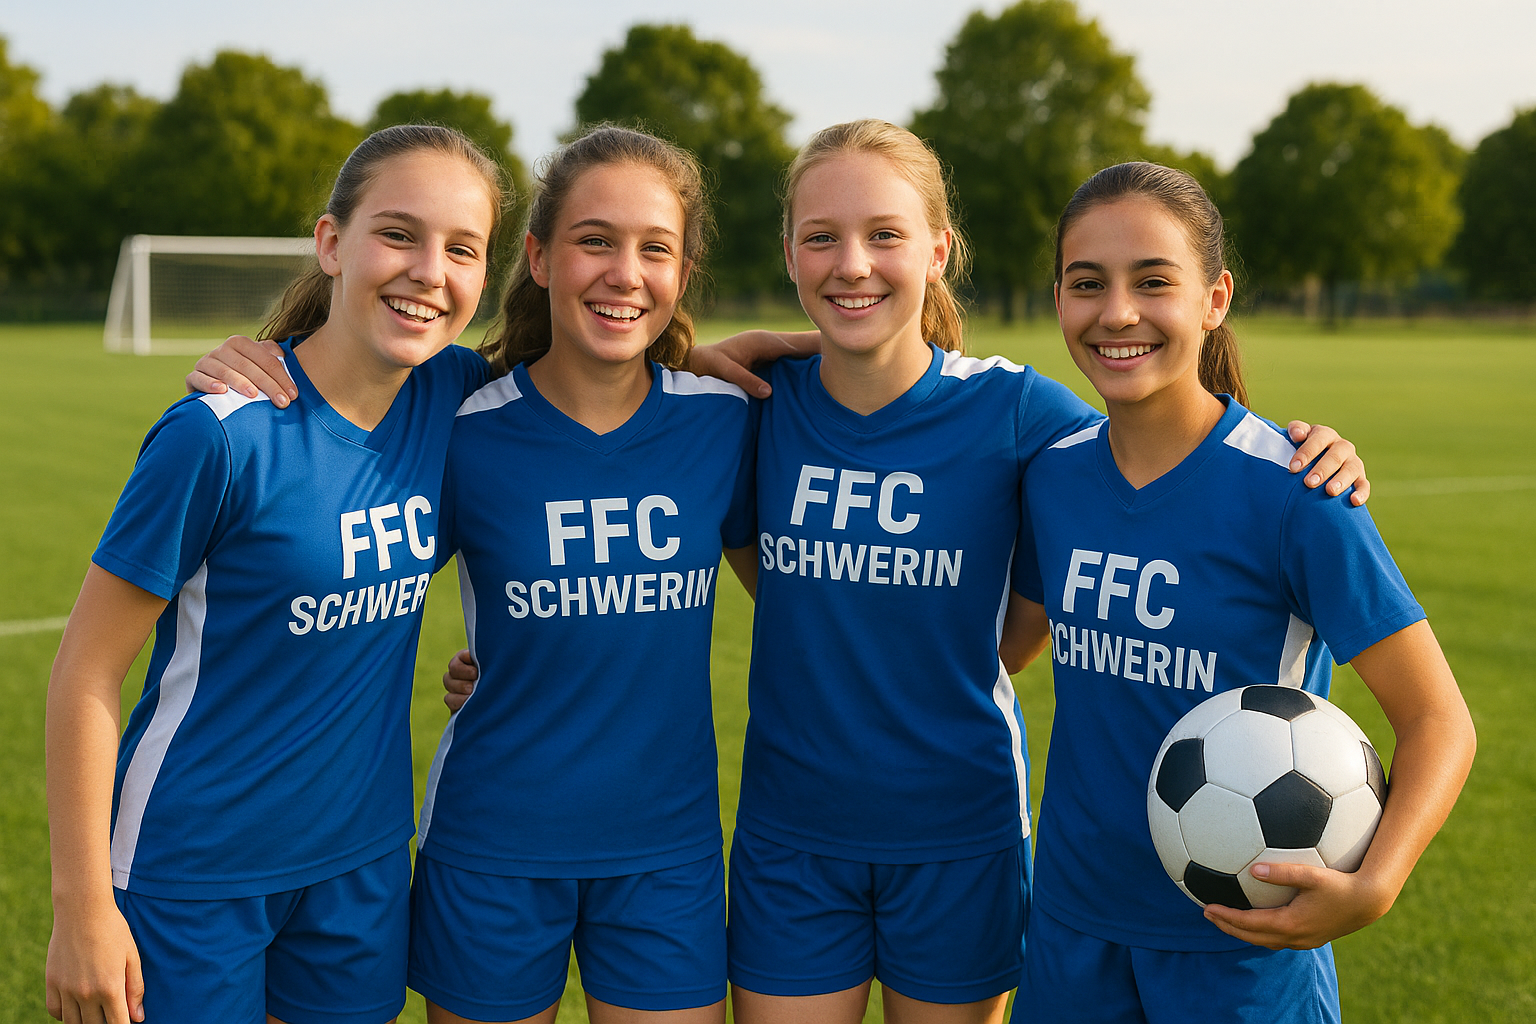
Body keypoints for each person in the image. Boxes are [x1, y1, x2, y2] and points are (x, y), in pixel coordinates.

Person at [45, 125, 508, 1024]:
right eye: (398, 234)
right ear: (332, 243)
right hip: (192, 869)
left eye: (462, 249)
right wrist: (83, 907)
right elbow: (87, 671)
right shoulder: (218, 434)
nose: (428, 270)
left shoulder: (460, 400)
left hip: (361, 867)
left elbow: (603, 391)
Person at [1010, 161, 1475, 1023]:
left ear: (1215, 297)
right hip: (1072, 932)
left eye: (1154, 281)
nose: (1118, 312)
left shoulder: (1298, 495)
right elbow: (1018, 643)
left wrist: (1374, 886)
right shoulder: (1053, 477)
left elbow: (1439, 718)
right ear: (1059, 297)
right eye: (1088, 284)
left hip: (1242, 947)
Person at [407, 125, 757, 1024]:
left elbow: (807, 599)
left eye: (656, 249)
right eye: (595, 240)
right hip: (491, 844)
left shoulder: (725, 422)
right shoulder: (461, 424)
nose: (624, 273)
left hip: (665, 854)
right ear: (537, 256)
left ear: (681, 274)